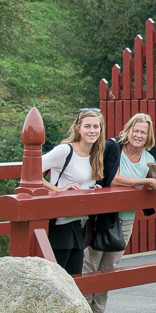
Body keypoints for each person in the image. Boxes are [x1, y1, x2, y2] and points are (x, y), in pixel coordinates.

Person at [83, 113, 156, 313]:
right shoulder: (113, 148)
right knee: (89, 266)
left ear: (148, 135)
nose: (138, 135)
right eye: (135, 130)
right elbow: (112, 178)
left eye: (143, 132)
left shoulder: (153, 154)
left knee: (108, 270)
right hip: (100, 216)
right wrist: (145, 182)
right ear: (128, 130)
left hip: (125, 218)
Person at [40, 108, 110, 278]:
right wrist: (57, 189)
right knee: (57, 280)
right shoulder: (64, 151)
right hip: (60, 224)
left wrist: (92, 188)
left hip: (80, 223)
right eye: (87, 126)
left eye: (96, 126)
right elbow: (29, 170)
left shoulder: (95, 153)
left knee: (74, 280)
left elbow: (84, 182)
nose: (92, 131)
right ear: (78, 128)